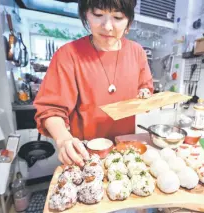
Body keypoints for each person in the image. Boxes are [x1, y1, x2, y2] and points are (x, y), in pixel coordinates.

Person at [34, 0, 153, 167]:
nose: (107, 26)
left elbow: (145, 87)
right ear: (86, 14)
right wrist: (63, 139)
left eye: (117, 17)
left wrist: (145, 94)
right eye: (98, 15)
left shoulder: (137, 52)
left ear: (129, 22)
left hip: (126, 151)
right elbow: (51, 109)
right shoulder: (68, 55)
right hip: (85, 154)